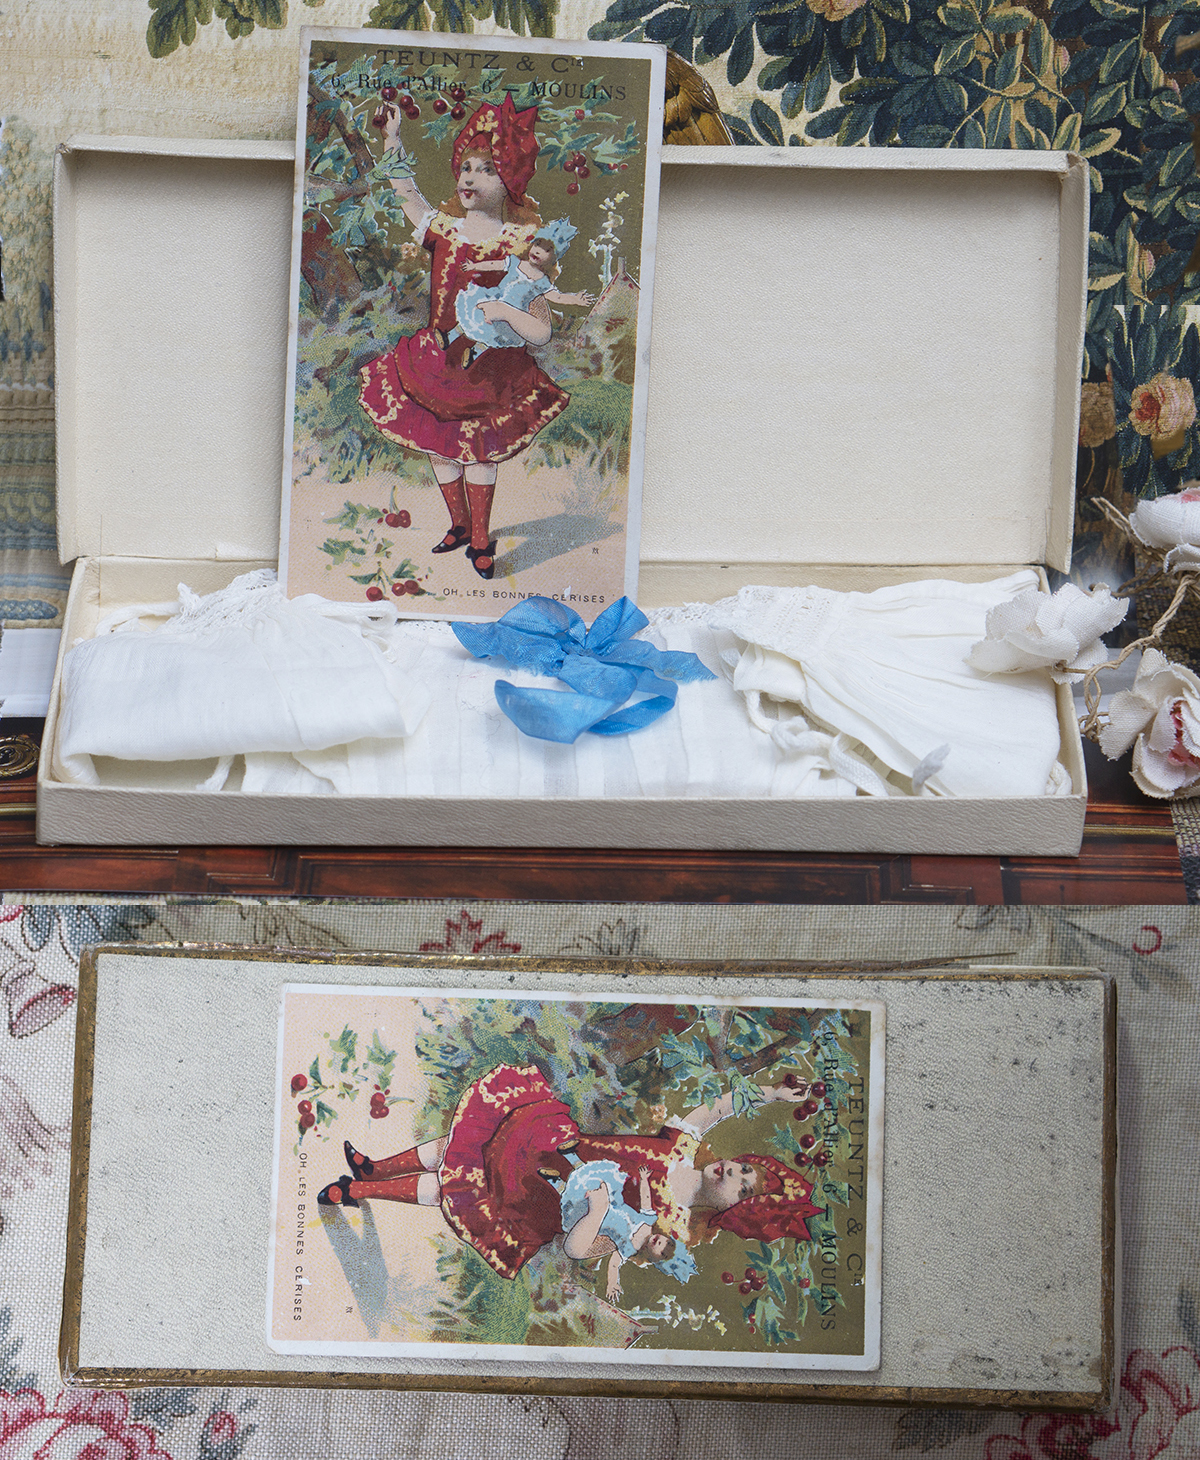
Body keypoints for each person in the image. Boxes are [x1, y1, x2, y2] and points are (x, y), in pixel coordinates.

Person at [317, 1062, 824, 1282]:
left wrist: (596, 1213)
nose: (734, 1171)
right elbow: (716, 1108)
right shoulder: (681, 1147)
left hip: (545, 1200)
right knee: (467, 1142)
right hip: (555, 1147)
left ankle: (358, 1190)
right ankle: (375, 1167)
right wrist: (772, 1093)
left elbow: (587, 1248)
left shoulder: (665, 1226)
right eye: (745, 1167)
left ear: (735, 1211)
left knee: (459, 1188)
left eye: (742, 1185)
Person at [358, 93, 570, 582]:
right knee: (439, 447)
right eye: (467, 167)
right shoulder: (444, 230)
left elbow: (542, 327)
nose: (471, 178)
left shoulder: (523, 246)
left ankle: (480, 538)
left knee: (478, 454)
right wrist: (392, 138)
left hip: (491, 372)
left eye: (487, 170)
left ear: (511, 181)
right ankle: (457, 524)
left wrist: (506, 313)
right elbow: (407, 194)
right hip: (438, 360)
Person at [435, 220, 594, 367]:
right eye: (537, 244)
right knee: (474, 315)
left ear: (553, 259)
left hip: (512, 314)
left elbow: (557, 296)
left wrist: (575, 299)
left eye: (546, 250)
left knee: (494, 334)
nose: (538, 251)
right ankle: (449, 336)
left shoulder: (542, 282)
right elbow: (495, 264)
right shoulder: (516, 262)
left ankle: (474, 353)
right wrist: (474, 266)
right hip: (495, 298)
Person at [554, 1159, 687, 1301]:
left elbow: (614, 1264)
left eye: (662, 1252)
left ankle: (555, 1181)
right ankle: (573, 1159)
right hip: (613, 1201)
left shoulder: (630, 1249)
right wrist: (644, 1179)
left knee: (580, 1202)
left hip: (599, 1218)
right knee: (596, 1180)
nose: (661, 1243)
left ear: (653, 1259)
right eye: (668, 1242)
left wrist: (612, 1283)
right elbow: (646, 1199)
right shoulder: (649, 1221)